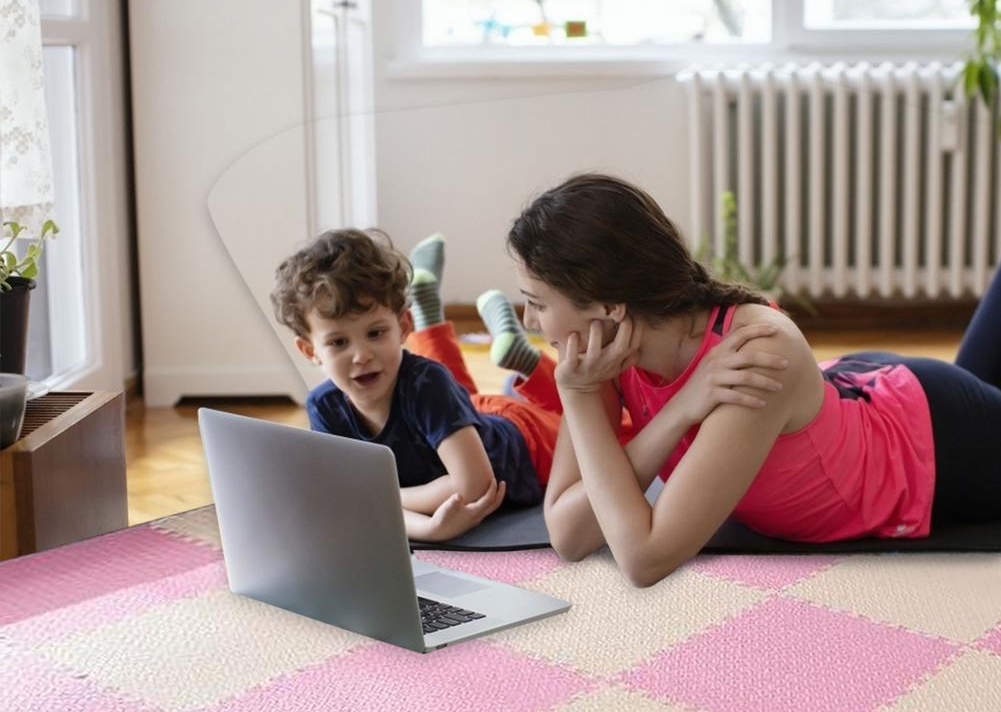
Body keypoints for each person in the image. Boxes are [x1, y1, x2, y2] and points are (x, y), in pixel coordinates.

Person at [506, 172, 1001, 587]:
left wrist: (592, 396)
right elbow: (569, 536)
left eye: (540, 302)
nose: (529, 321)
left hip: (936, 441)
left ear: (610, 306)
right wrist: (665, 409)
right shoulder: (599, 360)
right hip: (850, 399)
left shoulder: (751, 358)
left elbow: (644, 558)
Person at [270, 228, 750, 543]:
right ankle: (450, 321)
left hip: (523, 440)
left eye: (376, 333)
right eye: (338, 342)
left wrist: (385, 497)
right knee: (455, 390)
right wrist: (426, 528)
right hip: (471, 422)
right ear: (311, 351)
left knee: (608, 431)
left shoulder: (423, 386)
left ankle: (517, 357)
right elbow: (345, 496)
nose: (361, 355)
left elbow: (471, 484)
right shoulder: (326, 405)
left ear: (400, 325)